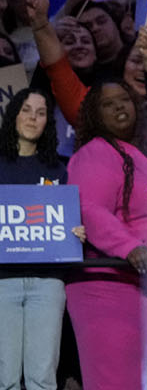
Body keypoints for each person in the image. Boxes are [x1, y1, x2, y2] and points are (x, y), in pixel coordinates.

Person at [67, 79, 147, 390]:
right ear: (94, 115)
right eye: (108, 103)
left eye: (124, 100)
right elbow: (88, 208)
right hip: (112, 278)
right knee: (118, 382)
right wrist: (128, 247)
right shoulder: (96, 153)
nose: (118, 106)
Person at [0, 89, 74, 390]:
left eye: (41, 112)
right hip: (2, 280)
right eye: (26, 110)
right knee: (5, 378)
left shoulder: (58, 169)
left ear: (48, 121)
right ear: (13, 114)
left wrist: (74, 231)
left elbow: (64, 222)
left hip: (47, 281)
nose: (33, 118)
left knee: (42, 378)